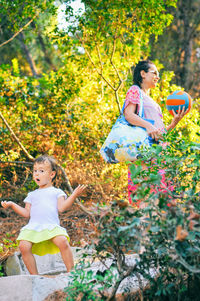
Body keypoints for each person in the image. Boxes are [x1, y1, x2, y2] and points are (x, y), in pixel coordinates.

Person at [1, 155, 86, 275]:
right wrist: (12, 204)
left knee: (62, 242)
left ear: (52, 174)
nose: (37, 174)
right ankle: (35, 276)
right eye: (35, 171)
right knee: (24, 246)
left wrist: (74, 195)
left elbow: (62, 208)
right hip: (34, 227)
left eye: (41, 171)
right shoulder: (32, 194)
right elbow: (26, 213)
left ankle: (72, 273)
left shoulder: (57, 192)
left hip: (51, 226)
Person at [124, 60, 188, 206]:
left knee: (161, 198)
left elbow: (158, 133)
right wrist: (147, 125)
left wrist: (173, 123)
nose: (157, 77)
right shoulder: (135, 90)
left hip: (158, 154)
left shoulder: (152, 101)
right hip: (144, 154)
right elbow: (129, 115)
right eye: (154, 73)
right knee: (145, 196)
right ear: (143, 74)